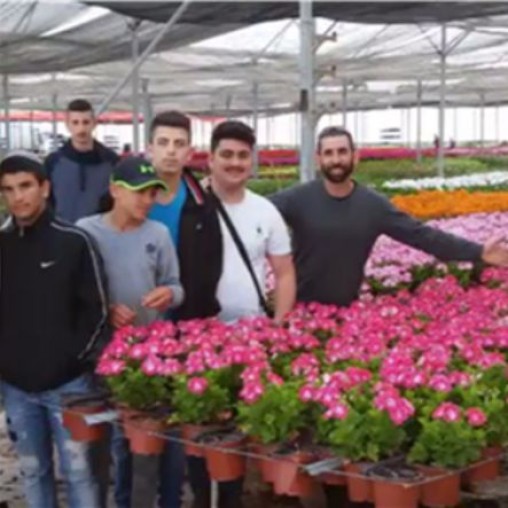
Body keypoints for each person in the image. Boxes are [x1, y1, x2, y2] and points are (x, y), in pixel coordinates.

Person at [270, 126, 508, 507]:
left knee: (336, 409)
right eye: (328, 153)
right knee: (299, 409)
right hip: (299, 318)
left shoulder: (372, 205)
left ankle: (339, 490)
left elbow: (422, 236)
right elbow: (252, 217)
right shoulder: (298, 199)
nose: (336, 159)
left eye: (342, 152)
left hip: (346, 322)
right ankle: (301, 492)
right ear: (318, 159)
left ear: (355, 156)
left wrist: (478, 252)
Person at [185, 120, 296, 508]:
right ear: (210, 159)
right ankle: (203, 498)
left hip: (251, 338)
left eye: (242, 156)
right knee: (199, 427)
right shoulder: (190, 206)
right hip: (198, 338)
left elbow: (284, 273)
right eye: (227, 154)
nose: (235, 162)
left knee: (237, 429)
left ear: (252, 160)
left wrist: (278, 325)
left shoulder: (266, 211)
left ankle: (230, 499)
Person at [0, 151, 109, 508]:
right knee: (33, 471)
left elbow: (97, 311)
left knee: (80, 473)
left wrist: (72, 361)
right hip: (16, 388)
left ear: (44, 188)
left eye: (25, 186)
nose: (18, 197)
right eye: (8, 189)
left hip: (68, 387)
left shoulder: (74, 242)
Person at [76, 156, 184, 508]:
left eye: (152, 193)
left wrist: (168, 294)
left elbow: (176, 285)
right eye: (139, 192)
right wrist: (105, 310)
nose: (147, 200)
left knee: (145, 444)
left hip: (149, 358)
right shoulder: (86, 232)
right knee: (105, 442)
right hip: (103, 355)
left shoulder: (158, 234)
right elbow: (74, 293)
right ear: (115, 191)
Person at [45, 99, 118, 222]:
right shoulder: (53, 163)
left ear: (94, 123)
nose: (81, 129)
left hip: (99, 232)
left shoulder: (111, 162)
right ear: (67, 124)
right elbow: (47, 202)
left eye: (86, 122)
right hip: (62, 231)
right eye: (75, 122)